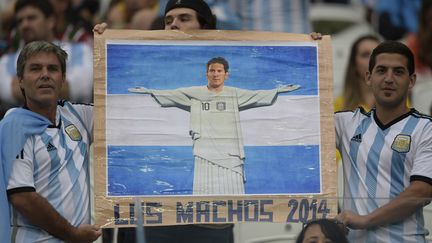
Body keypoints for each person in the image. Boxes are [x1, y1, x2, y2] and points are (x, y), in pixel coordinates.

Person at [129, 56, 299, 194]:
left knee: (232, 187)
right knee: (205, 187)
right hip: (205, 149)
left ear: (226, 74)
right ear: (206, 74)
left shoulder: (234, 94)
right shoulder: (195, 93)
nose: (215, 74)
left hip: (230, 149)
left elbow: (257, 95)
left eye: (219, 71)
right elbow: (172, 94)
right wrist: (149, 91)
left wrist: (278, 90)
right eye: (212, 71)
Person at [0, 41, 101, 242]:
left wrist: (107, 43)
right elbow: (22, 197)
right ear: (20, 80)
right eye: (35, 68)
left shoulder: (78, 114)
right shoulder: (13, 126)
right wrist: (73, 234)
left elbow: (123, 112)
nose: (45, 74)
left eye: (53, 69)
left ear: (63, 79)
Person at [335, 41, 432, 242]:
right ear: (368, 77)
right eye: (381, 70)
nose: (389, 78)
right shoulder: (346, 123)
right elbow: (298, 117)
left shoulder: (426, 129)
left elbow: (421, 192)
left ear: (412, 80)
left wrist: (365, 220)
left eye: (398, 72)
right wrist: (310, 49)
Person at [0, 0, 93, 118]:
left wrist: (27, 86)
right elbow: (8, 93)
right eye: (20, 21)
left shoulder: (80, 50)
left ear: (51, 21)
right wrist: (57, 85)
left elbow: (80, 89)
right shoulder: (6, 60)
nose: (25, 25)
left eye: (31, 18)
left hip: (73, 128)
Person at [334, 35, 380, 112]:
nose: (373, 60)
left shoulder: (398, 101)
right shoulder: (338, 105)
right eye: (365, 55)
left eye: (378, 54)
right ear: (354, 64)